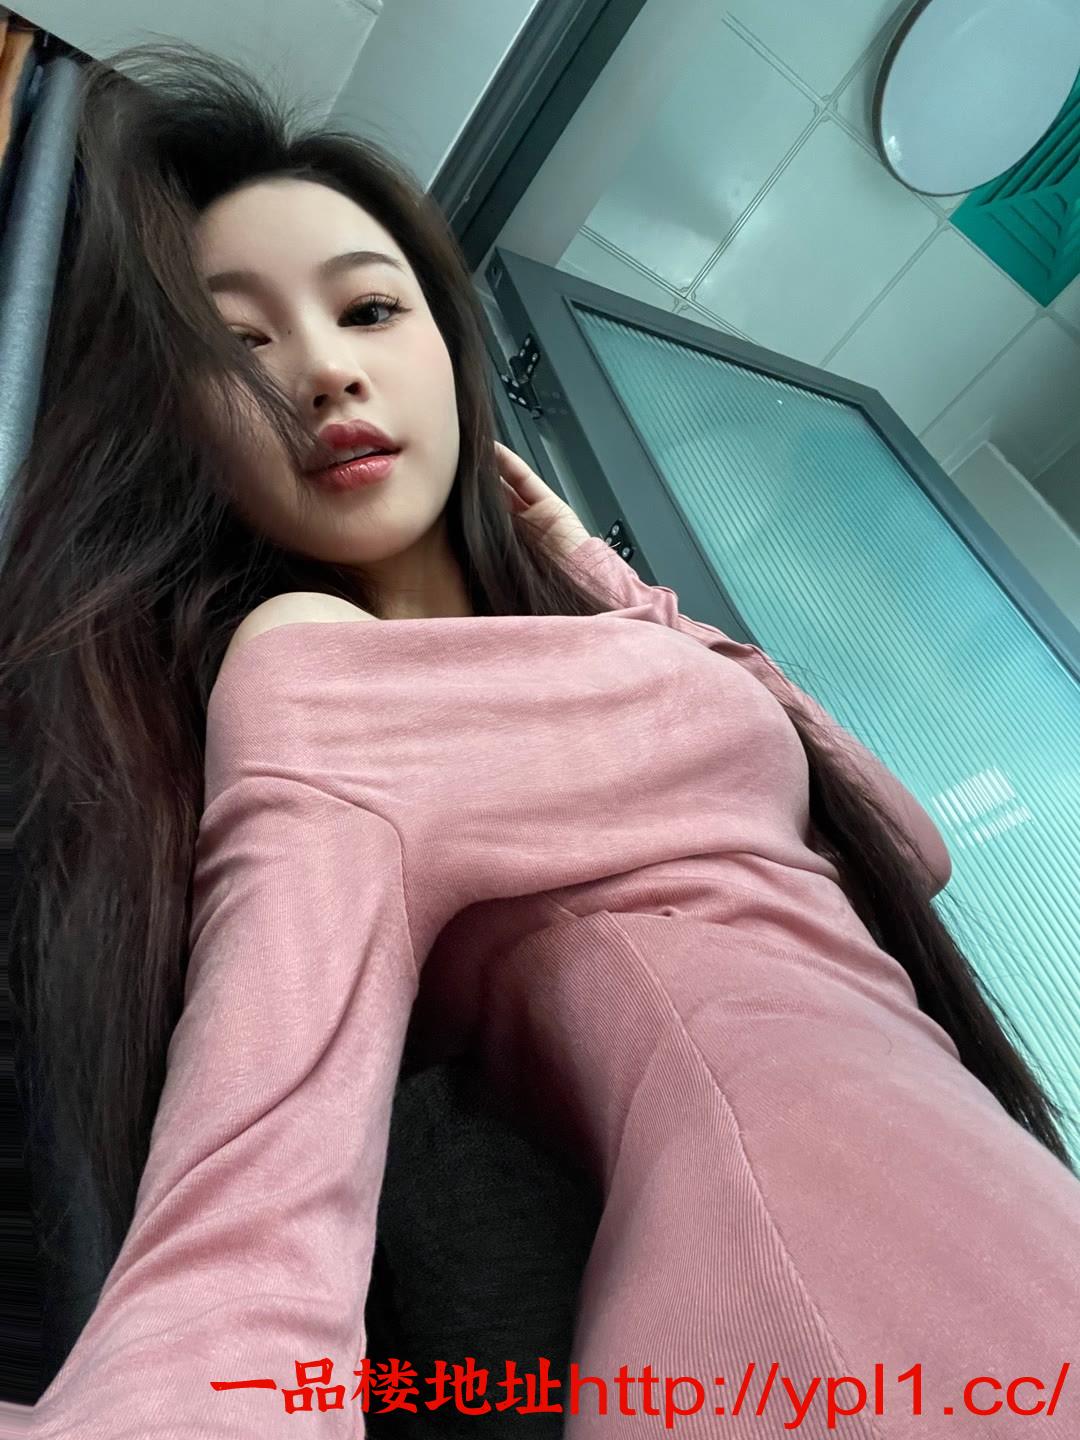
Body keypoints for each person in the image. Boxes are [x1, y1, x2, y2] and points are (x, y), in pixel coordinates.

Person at [4, 38, 1078, 1440]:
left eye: (368, 309)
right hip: (829, 1296)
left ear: (449, 352)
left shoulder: (607, 629)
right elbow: (256, 1205)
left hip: (975, 1217)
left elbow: (902, 848)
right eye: (240, 346)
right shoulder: (313, 665)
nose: (323, 374)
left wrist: (608, 580)